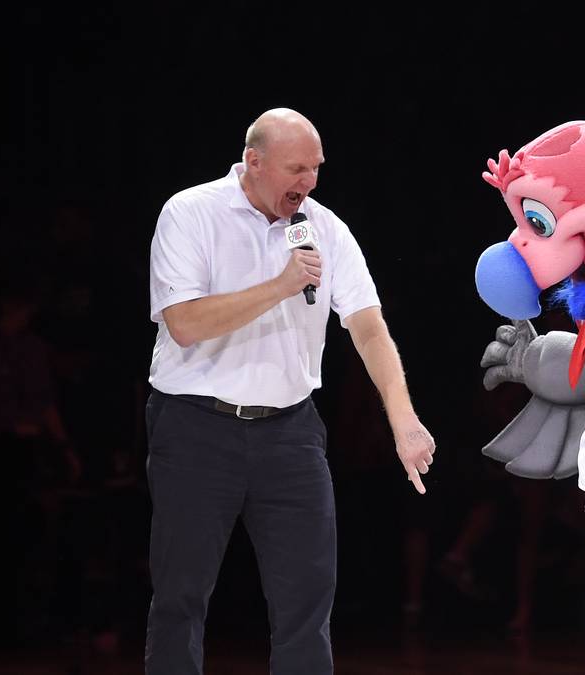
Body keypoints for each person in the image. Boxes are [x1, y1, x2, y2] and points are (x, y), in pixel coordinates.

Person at [144, 108, 436, 674]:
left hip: (290, 432)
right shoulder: (190, 213)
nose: (309, 182)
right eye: (296, 168)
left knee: (307, 601)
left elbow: (369, 327)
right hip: (195, 427)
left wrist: (404, 420)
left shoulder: (324, 228)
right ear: (253, 163)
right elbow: (182, 322)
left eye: (317, 168)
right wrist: (282, 284)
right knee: (181, 596)